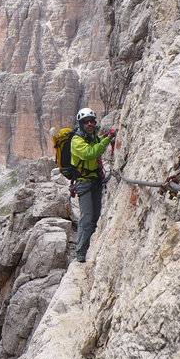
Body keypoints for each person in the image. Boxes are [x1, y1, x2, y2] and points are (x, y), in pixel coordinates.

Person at [71, 108, 114, 262]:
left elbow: (97, 147)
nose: (89, 124)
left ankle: (90, 247)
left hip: (95, 181)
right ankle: (81, 252)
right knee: (87, 217)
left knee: (95, 216)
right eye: (86, 122)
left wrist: (106, 138)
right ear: (81, 124)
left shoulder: (92, 137)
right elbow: (90, 153)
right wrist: (108, 139)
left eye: (92, 121)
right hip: (83, 183)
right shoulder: (76, 140)